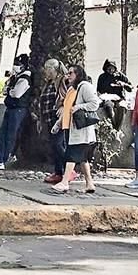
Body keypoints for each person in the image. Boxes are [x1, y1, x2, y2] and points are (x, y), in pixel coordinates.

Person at [51, 65, 100, 193]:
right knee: (82, 158)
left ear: (78, 74)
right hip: (71, 128)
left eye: (71, 73)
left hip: (81, 130)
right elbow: (67, 110)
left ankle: (64, 182)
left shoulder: (85, 87)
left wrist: (79, 107)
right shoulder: (71, 89)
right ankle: (89, 183)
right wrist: (58, 124)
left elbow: (94, 104)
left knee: (71, 155)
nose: (68, 75)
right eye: (68, 73)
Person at [0, 54, 32, 171]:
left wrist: (9, 90)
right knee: (3, 134)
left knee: (9, 135)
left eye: (18, 64)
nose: (15, 66)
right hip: (12, 108)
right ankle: (1, 158)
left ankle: (1, 159)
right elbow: (5, 89)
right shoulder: (15, 77)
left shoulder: (24, 79)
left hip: (18, 109)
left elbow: (16, 93)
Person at [37, 58, 69, 184]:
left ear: (52, 69)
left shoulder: (61, 81)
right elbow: (43, 102)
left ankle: (68, 170)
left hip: (58, 118)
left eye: (46, 68)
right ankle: (59, 172)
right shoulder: (49, 83)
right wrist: (41, 120)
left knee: (58, 144)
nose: (45, 71)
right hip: (49, 119)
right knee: (55, 146)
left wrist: (63, 107)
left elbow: (68, 95)